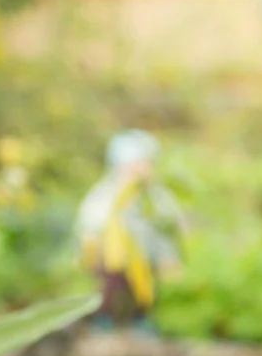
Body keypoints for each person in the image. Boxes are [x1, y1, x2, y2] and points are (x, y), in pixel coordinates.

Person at [76, 129, 185, 332]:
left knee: (142, 303)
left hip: (146, 269)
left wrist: (169, 257)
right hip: (112, 267)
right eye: (139, 164)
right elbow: (90, 227)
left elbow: (167, 229)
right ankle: (105, 328)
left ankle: (140, 328)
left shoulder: (156, 197)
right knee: (109, 296)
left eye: (148, 163)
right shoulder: (105, 195)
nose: (145, 169)